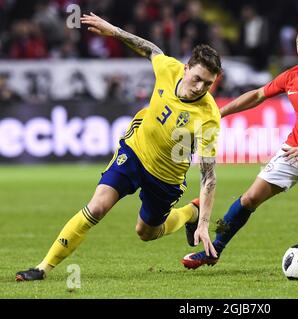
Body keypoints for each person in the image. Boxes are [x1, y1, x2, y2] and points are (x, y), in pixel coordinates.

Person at [16, 13, 222, 281]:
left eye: (208, 83)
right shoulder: (168, 68)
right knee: (98, 206)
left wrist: (204, 223)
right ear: (185, 68)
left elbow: (208, 176)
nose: (200, 87)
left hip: (167, 176)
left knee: (145, 232)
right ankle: (42, 268)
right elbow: (151, 49)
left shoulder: (208, 116)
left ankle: (189, 213)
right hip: (135, 151)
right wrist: (113, 30)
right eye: (197, 78)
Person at [182, 19, 298, 269]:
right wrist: (218, 114)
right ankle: (214, 250)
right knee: (249, 198)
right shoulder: (292, 76)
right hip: (293, 151)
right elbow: (257, 95)